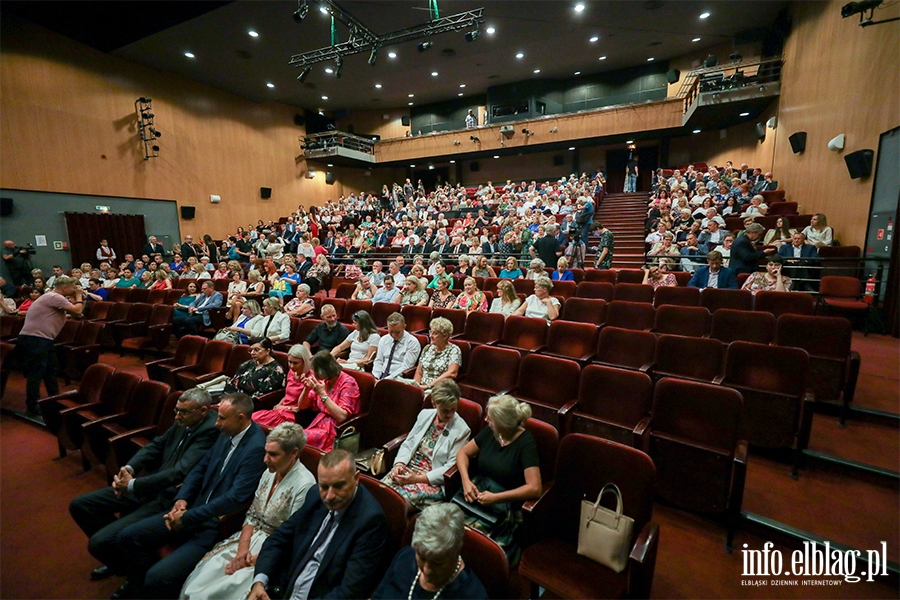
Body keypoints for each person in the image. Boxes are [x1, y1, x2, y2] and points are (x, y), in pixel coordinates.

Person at [114, 394, 267, 600]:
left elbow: (234, 498)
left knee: (157, 577)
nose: (216, 422)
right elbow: (200, 468)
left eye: (222, 418)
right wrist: (182, 499)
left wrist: (186, 517)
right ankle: (138, 590)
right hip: (190, 510)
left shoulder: (256, 448)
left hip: (212, 525)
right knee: (128, 537)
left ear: (241, 418)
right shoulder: (226, 432)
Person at [69, 388, 219, 583]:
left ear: (203, 411)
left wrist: (132, 485)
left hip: (166, 494)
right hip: (146, 484)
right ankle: (121, 560)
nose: (177, 416)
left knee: (98, 543)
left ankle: (132, 576)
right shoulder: (184, 419)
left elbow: (179, 472)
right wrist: (129, 469)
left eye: (183, 412)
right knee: (80, 505)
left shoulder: (211, 430)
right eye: (176, 410)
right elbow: (157, 444)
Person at [179, 423, 316, 600]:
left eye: (273, 454)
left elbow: (291, 537)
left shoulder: (305, 484)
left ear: (294, 453)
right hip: (247, 539)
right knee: (200, 581)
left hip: (271, 552)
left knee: (220, 591)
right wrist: (242, 551)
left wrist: (249, 560)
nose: (265, 459)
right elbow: (251, 514)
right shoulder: (269, 471)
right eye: (266, 452)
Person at [248, 449, 389, 600]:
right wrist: (259, 583)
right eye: (324, 486)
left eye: (338, 486)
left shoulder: (370, 521)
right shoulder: (315, 496)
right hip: (284, 589)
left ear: (356, 479)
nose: (329, 496)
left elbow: (349, 592)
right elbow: (278, 539)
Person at [454, 394, 541, 560]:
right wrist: (465, 481)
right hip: (477, 493)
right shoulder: (491, 432)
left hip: (503, 504)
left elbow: (535, 488)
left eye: (491, 418)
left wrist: (496, 498)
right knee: (448, 529)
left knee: (473, 546)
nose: (486, 420)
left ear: (503, 423)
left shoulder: (526, 442)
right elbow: (463, 453)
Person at [381, 381, 471, 508]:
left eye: (453, 409)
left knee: (395, 505)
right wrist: (399, 464)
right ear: (434, 404)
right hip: (409, 468)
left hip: (432, 480)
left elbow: (450, 467)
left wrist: (416, 479)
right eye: (445, 411)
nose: (450, 415)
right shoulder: (425, 415)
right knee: (379, 493)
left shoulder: (462, 430)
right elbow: (409, 443)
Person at [372, 503, 487, 599]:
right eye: (422, 558)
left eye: (437, 563)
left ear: (456, 552)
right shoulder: (405, 557)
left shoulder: (473, 594)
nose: (427, 570)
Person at [16, 276, 84, 415]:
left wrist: (75, 301)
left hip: (43, 340)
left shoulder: (54, 297)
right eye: (73, 287)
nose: (75, 289)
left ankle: (54, 399)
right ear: (65, 288)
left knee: (51, 370)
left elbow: (79, 314)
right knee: (37, 373)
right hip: (35, 340)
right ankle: (32, 406)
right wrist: (78, 296)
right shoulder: (54, 296)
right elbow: (77, 311)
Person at [295, 351, 361, 451]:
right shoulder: (324, 381)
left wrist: (322, 394)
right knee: (290, 437)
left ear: (323, 371)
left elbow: (342, 416)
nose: (314, 374)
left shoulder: (348, 383)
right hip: (318, 423)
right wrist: (306, 389)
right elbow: (302, 406)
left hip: (334, 430)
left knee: (295, 441)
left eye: (315, 371)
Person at [251, 345, 313, 430]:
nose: (291, 366)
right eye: (289, 362)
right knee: (253, 418)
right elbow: (287, 394)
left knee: (262, 426)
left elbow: (301, 407)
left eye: (295, 363)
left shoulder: (311, 378)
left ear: (305, 362)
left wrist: (285, 407)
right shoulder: (291, 372)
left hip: (294, 415)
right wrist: (279, 405)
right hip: (282, 409)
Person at [407, 317, 462, 391]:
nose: (430, 336)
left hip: (439, 389)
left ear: (445, 336)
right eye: (430, 332)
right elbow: (419, 372)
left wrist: (428, 386)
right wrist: (416, 387)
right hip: (422, 387)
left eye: (435, 333)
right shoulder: (427, 348)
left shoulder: (454, 350)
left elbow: (452, 373)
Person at [372, 312, 421, 380]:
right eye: (391, 331)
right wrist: (375, 377)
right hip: (381, 374)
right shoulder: (384, 339)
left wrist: (385, 380)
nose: (394, 335)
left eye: (397, 332)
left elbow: (406, 367)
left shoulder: (412, 342)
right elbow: (378, 361)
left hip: (398, 378)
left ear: (404, 327)